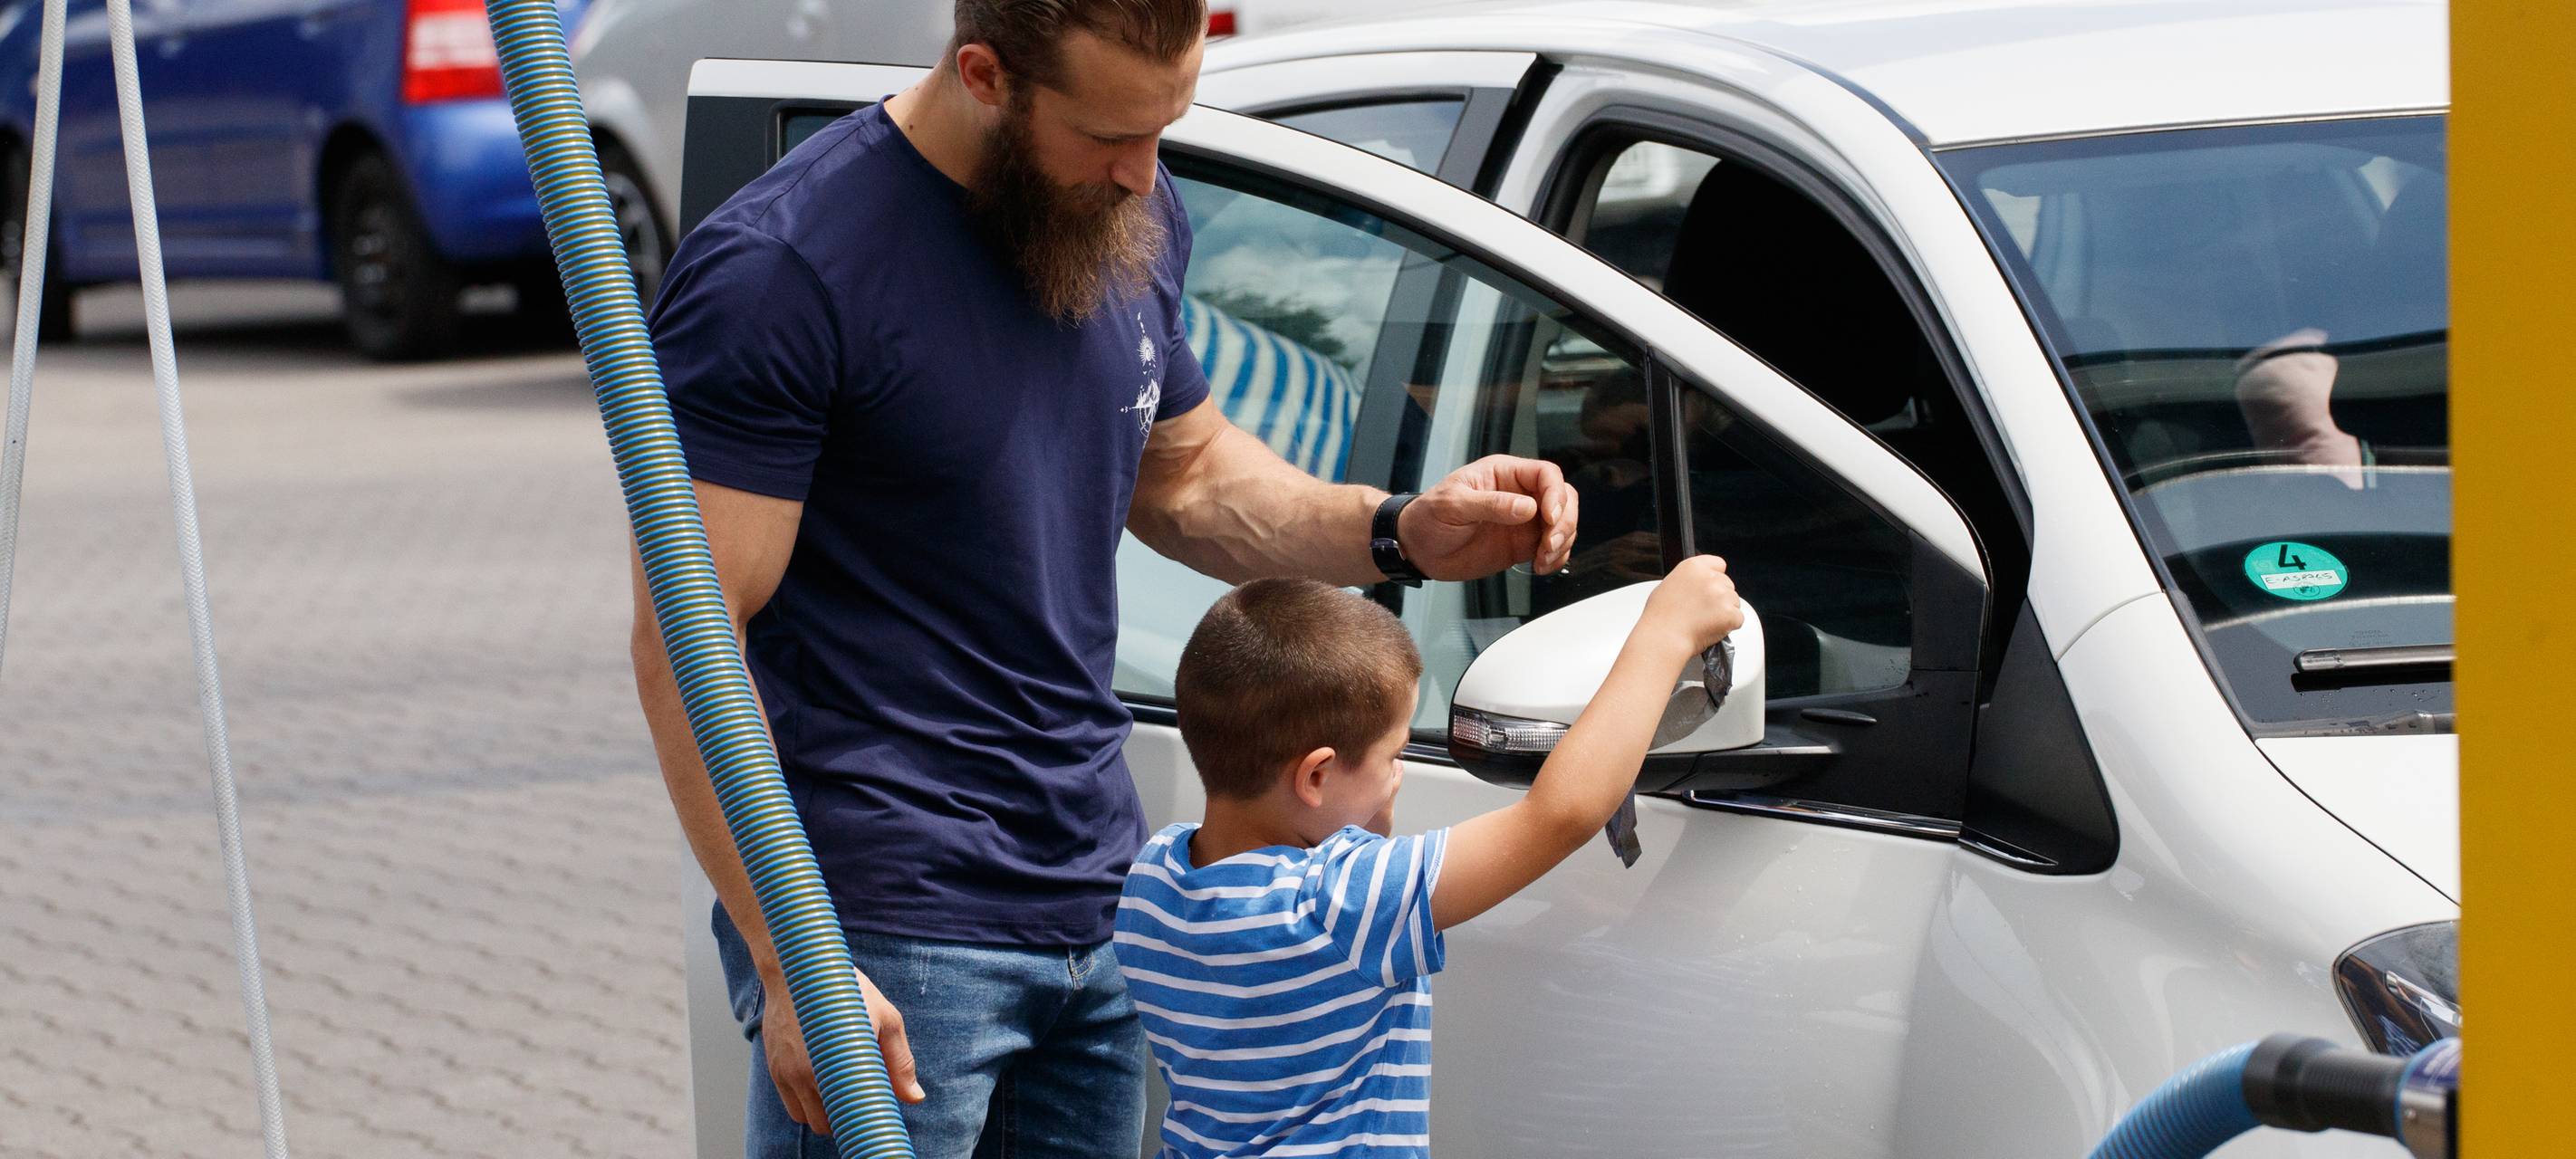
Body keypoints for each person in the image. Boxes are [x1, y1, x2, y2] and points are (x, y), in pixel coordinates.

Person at [627, 1, 1582, 1155]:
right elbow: (686, 639)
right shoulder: (784, 269)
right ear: (985, 74)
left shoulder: (1124, 211)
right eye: (1108, 137)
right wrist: (789, 955)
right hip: (890, 924)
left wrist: (1399, 529)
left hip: (1095, 898)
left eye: (1167, 126)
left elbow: (1186, 479)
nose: (1146, 173)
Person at [1115, 560, 1742, 1157]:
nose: (1400, 773)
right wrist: (1664, 631)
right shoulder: (1341, 904)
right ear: (1317, 778)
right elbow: (1561, 815)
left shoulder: (1153, 878)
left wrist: (1364, 819)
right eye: (1393, 756)